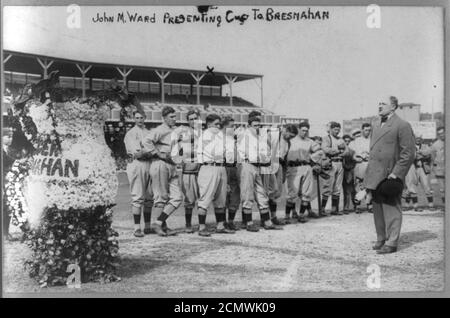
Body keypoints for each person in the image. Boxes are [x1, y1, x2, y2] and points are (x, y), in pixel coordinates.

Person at [364, 96, 416, 254]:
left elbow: (408, 153)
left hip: (390, 174)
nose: (379, 106)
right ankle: (381, 237)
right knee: (377, 207)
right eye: (378, 103)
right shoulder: (375, 123)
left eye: (383, 104)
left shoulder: (402, 125)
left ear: (393, 107)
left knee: (391, 207)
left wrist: (396, 173)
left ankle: (392, 242)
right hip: (375, 173)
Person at [237, 116, 282, 232]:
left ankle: (267, 221)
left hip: (257, 166)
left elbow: (266, 153)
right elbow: (247, 153)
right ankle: (248, 222)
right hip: (247, 165)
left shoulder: (258, 137)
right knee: (247, 194)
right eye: (254, 125)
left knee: (261, 193)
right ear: (249, 125)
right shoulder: (244, 135)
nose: (257, 127)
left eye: (258, 125)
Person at [144, 106, 182, 236]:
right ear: (164, 118)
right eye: (171, 117)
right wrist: (157, 153)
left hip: (171, 165)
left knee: (177, 197)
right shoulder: (160, 129)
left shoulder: (173, 130)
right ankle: (161, 226)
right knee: (161, 197)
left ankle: (159, 222)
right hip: (160, 164)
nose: (174, 119)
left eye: (174, 116)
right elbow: (146, 141)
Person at [196, 114, 234, 236]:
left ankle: (220, 225)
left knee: (221, 199)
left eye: (219, 124)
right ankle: (201, 227)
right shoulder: (205, 135)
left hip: (221, 167)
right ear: (208, 124)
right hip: (208, 167)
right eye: (216, 124)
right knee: (205, 198)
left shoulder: (220, 136)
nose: (218, 126)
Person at [281, 122, 321, 222]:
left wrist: (312, 159)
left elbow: (320, 151)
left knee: (306, 192)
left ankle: (302, 215)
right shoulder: (290, 140)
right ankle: (287, 216)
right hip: (293, 167)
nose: (304, 132)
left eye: (306, 131)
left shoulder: (310, 141)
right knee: (292, 193)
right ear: (298, 129)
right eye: (303, 130)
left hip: (306, 166)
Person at [123, 111, 153, 237]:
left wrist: (149, 151)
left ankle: (147, 226)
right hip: (137, 164)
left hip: (149, 164)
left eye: (142, 117)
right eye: (137, 118)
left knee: (149, 197)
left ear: (145, 118)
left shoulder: (149, 132)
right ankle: (136, 228)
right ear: (133, 118)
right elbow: (138, 154)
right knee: (137, 196)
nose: (140, 120)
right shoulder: (131, 134)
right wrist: (151, 151)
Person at [172, 109, 202, 233]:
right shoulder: (183, 132)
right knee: (189, 199)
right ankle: (188, 224)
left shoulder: (203, 133)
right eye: (191, 119)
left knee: (203, 199)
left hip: (202, 170)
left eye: (195, 118)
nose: (193, 121)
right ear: (187, 121)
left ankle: (202, 224)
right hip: (188, 170)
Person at [321, 122, 350, 215]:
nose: (337, 131)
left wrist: (341, 153)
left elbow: (347, 151)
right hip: (331, 162)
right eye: (335, 129)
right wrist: (338, 150)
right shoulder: (326, 138)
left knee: (337, 187)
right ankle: (322, 209)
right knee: (328, 186)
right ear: (330, 129)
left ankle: (334, 209)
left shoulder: (340, 139)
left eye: (338, 129)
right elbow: (326, 149)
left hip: (340, 162)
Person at [221, 116, 241, 231]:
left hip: (234, 167)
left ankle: (231, 221)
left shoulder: (233, 138)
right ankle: (223, 221)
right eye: (231, 126)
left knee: (235, 195)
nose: (234, 128)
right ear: (224, 126)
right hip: (224, 167)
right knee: (223, 196)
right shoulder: (219, 138)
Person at [349, 123, 372, 213]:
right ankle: (357, 205)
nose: (368, 132)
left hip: (369, 164)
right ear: (362, 130)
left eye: (369, 130)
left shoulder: (372, 140)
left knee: (369, 185)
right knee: (359, 184)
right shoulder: (356, 141)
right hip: (360, 164)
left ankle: (369, 205)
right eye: (366, 130)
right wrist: (355, 158)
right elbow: (351, 154)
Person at [2, 127, 15, 241]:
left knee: (7, 207)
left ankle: (5, 232)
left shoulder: (9, 150)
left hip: (7, 182)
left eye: (11, 136)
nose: (10, 139)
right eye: (8, 136)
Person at [431, 126, 445, 208]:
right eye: (440, 134)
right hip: (440, 169)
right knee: (442, 189)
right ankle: (445, 205)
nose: (442, 135)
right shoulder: (435, 145)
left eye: (443, 133)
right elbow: (433, 158)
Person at [342, 134, 356, 214]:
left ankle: (354, 205)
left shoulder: (352, 151)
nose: (347, 143)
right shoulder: (340, 150)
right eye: (345, 141)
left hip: (349, 171)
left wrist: (348, 167)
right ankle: (345, 206)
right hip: (341, 171)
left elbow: (354, 162)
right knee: (344, 190)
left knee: (351, 189)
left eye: (348, 141)